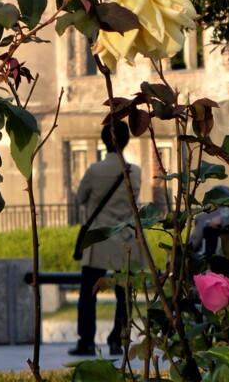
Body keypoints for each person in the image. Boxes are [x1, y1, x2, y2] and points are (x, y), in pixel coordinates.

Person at [69, 120, 141, 358]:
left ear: (103, 140)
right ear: (127, 141)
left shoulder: (94, 171)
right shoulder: (136, 172)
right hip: (125, 240)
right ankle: (117, 341)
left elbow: (80, 198)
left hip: (98, 240)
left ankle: (86, 342)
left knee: (88, 295)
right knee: (124, 297)